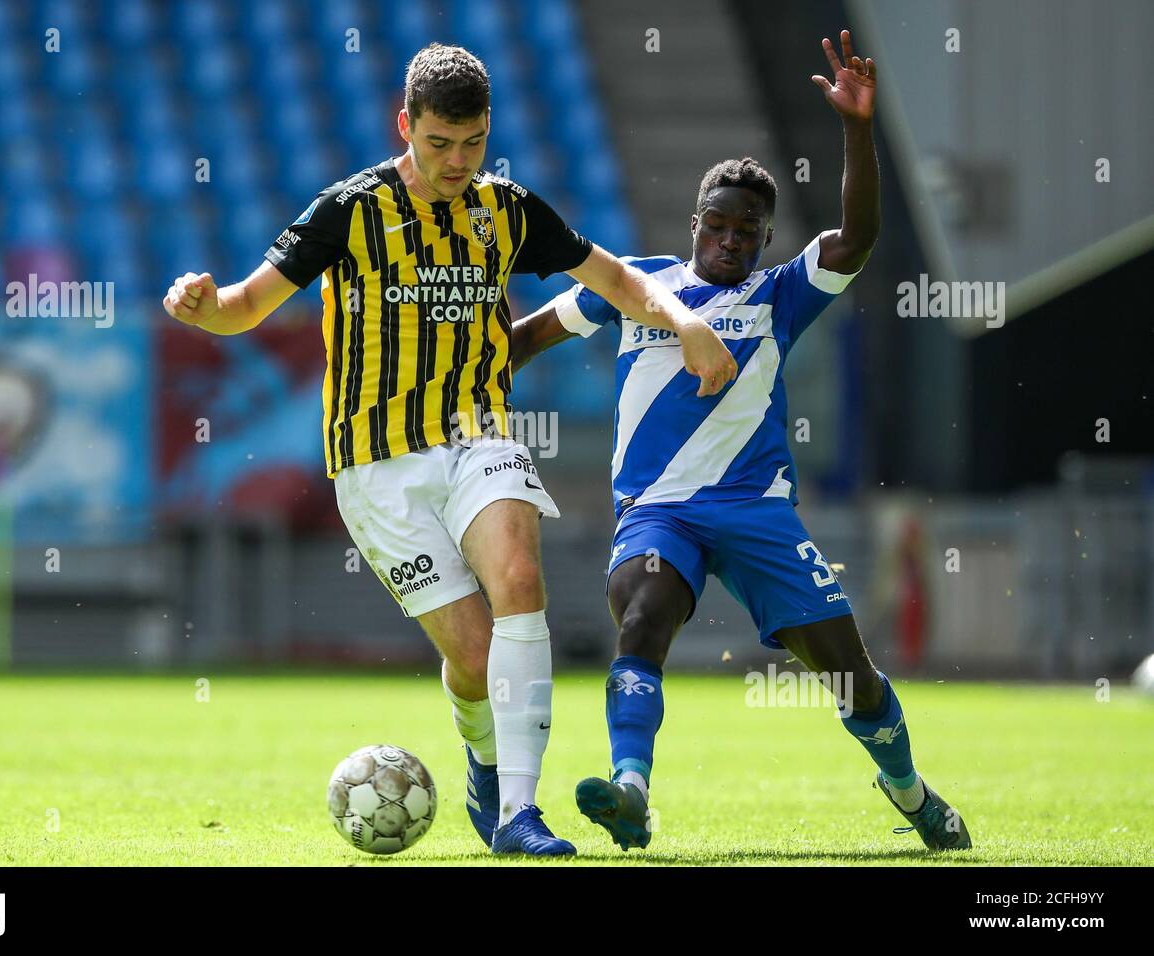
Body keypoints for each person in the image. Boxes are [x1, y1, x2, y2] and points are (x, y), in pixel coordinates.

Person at [161, 43, 736, 856]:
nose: (457, 162)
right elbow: (245, 306)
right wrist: (202, 303)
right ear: (406, 126)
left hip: (478, 438)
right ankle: (482, 754)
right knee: (473, 659)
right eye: (439, 144)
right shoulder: (349, 211)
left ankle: (518, 816)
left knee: (520, 582)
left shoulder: (507, 208)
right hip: (375, 465)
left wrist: (686, 321)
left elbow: (615, 279)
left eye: (472, 143)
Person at [509, 31, 972, 852]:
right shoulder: (637, 286)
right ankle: (629, 788)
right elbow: (528, 337)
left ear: (763, 238)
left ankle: (910, 792)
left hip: (756, 513)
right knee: (643, 617)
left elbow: (857, 239)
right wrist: (447, 359)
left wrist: (858, 129)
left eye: (746, 231)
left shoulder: (779, 295)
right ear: (696, 223)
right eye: (717, 226)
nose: (729, 241)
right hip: (658, 514)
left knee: (850, 677)